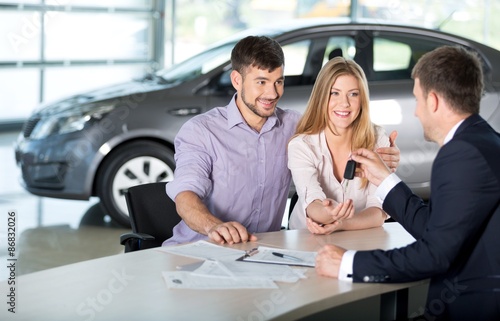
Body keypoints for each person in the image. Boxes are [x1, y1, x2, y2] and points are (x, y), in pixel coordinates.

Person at [315, 45, 500, 320]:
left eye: (417, 100)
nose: (415, 112)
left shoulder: (461, 154)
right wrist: (385, 178)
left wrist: (348, 262)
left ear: (434, 101)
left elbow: (434, 254)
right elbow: (434, 227)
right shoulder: (483, 140)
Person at [163, 36, 400, 246]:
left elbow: (340, 129)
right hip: (199, 248)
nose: (273, 93)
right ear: (237, 80)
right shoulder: (201, 131)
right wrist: (213, 226)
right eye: (261, 82)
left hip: (262, 252)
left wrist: (388, 159)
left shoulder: (296, 127)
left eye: (279, 81)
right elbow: (185, 195)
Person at [287, 57, 395, 232]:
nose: (344, 103)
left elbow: (378, 211)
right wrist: (328, 213)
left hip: (359, 236)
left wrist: (341, 224)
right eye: (335, 93)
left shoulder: (377, 139)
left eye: (353, 94)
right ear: (322, 97)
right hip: (308, 236)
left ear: (362, 100)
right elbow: (312, 203)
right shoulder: (301, 145)